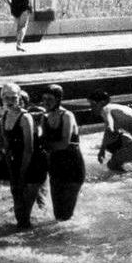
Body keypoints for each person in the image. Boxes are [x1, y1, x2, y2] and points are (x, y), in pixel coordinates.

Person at [0, 83, 46, 229]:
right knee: (18, 210)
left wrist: (21, 174)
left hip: (33, 164)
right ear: (2, 99)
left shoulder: (26, 118)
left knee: (25, 212)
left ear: (19, 98)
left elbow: (29, 149)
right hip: (17, 162)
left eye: (14, 97)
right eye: (7, 98)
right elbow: (7, 146)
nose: (11, 101)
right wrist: (12, 172)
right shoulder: (4, 116)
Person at [39, 85, 84, 222]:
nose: (46, 102)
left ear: (59, 99)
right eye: (44, 98)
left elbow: (64, 143)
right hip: (56, 166)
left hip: (72, 166)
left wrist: (43, 146)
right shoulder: (44, 117)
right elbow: (44, 140)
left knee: (66, 216)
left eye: (50, 99)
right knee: (58, 215)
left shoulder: (67, 116)